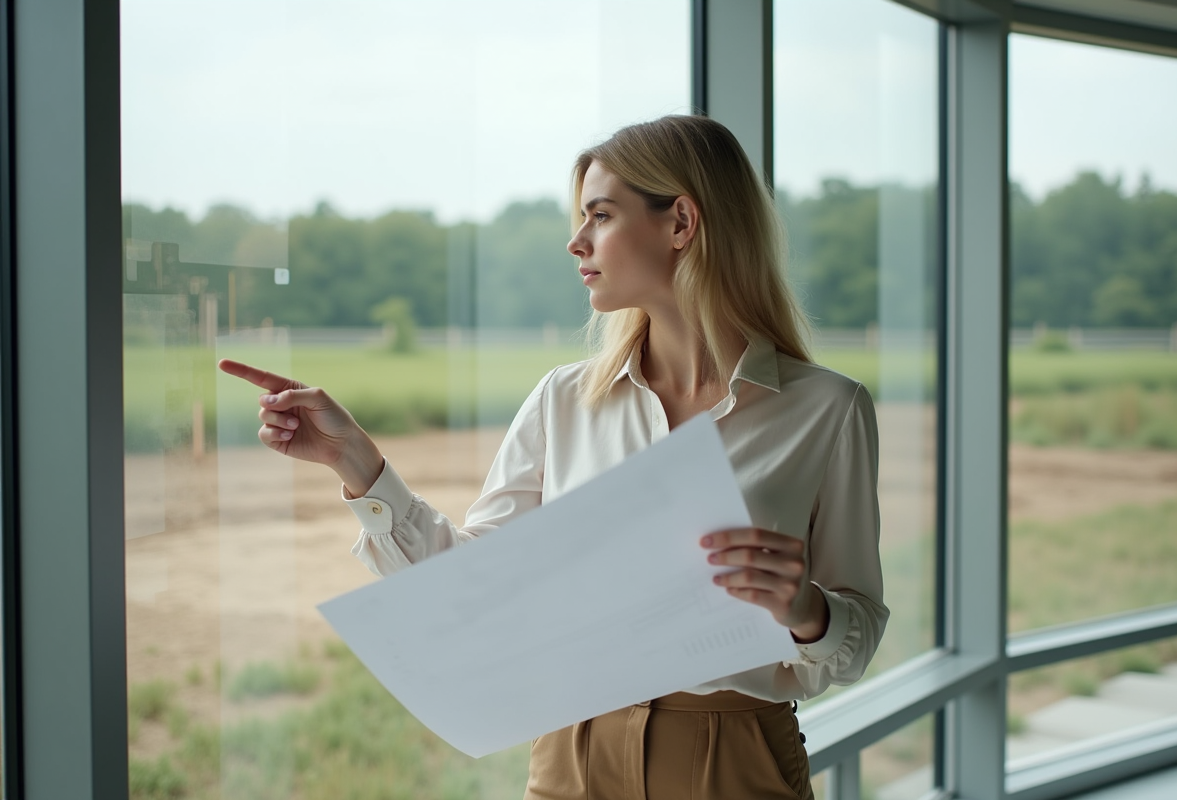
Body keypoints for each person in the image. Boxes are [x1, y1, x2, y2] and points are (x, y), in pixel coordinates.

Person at [219, 114, 888, 800]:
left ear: (681, 222)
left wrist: (806, 608)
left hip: (735, 763)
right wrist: (357, 463)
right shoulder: (564, 401)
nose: (577, 242)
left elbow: (855, 638)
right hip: (571, 758)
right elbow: (470, 588)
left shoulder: (827, 412)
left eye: (600, 216)